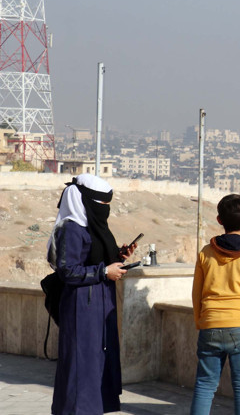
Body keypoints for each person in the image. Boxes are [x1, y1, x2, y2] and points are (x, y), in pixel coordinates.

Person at [50, 174, 137, 415]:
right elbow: (67, 270)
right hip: (82, 307)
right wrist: (103, 272)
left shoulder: (92, 227)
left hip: (100, 303)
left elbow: (95, 258)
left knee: (98, 365)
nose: (105, 211)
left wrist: (118, 258)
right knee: (81, 367)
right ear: (86, 202)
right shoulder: (71, 228)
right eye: (102, 206)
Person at [191, 194, 240, 415]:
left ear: (219, 220)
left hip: (210, 324)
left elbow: (197, 292)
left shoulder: (206, 252)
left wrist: (200, 321)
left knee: (205, 385)